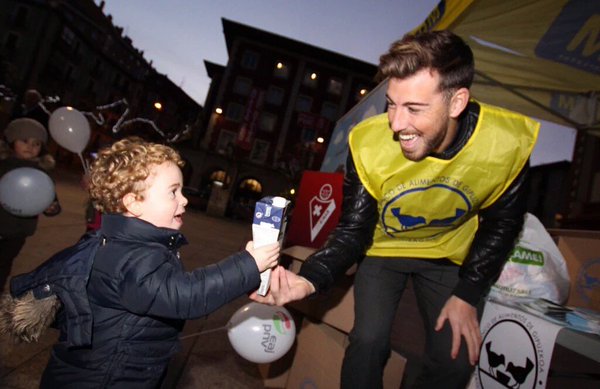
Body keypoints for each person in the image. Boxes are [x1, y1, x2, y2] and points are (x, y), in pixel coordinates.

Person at [251, 30, 539, 389]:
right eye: (391, 103)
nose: (396, 123)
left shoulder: (505, 144)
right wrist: (311, 277)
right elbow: (353, 229)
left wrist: (468, 293)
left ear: (457, 102)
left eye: (414, 109)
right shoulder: (368, 143)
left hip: (448, 255)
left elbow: (503, 223)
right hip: (383, 250)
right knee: (367, 342)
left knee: (456, 358)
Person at [2, 137, 280, 388]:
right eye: (173, 191)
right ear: (134, 203)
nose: (184, 200)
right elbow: (186, 295)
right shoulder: (130, 259)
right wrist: (247, 264)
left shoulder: (131, 246)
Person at [0, 118, 61, 292]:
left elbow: (49, 197)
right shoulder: (3, 166)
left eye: (36, 144)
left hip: (18, 230)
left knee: (4, 263)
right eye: (24, 141)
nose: (30, 147)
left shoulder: (40, 173)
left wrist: (52, 207)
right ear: (12, 141)